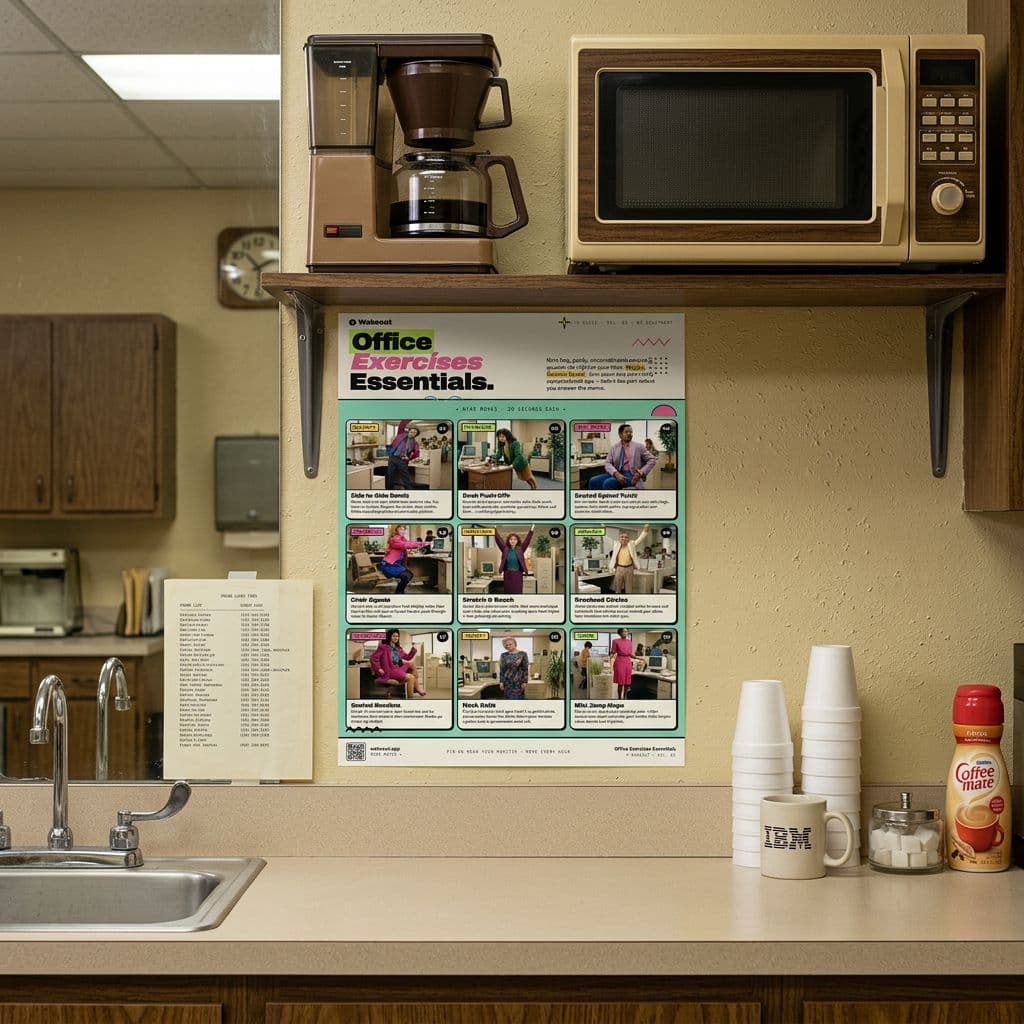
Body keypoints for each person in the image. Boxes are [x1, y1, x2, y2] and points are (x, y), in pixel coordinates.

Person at [587, 424, 655, 490]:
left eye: (631, 432)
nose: (629, 433)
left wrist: (640, 473)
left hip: (631, 474)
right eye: (626, 432)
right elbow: (607, 463)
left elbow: (652, 460)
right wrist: (615, 473)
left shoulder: (639, 446)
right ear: (620, 434)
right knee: (593, 481)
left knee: (608, 483)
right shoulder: (614, 447)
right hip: (617, 472)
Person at [368, 628, 425, 698]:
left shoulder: (398, 648)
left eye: (397, 636)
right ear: (389, 637)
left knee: (411, 663)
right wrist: (378, 668)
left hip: (397, 668)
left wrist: (413, 649)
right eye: (394, 636)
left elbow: (407, 657)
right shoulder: (383, 647)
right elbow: (373, 658)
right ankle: (411, 698)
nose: (396, 638)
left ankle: (417, 688)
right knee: (411, 677)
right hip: (390, 670)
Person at [379, 524, 428, 594]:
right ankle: (399, 592)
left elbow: (410, 543)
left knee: (408, 575)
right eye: (401, 529)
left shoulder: (402, 539)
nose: (403, 531)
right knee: (407, 575)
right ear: (396, 530)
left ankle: (399, 592)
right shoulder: (395, 539)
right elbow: (406, 545)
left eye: (404, 529)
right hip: (389, 566)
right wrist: (425, 543)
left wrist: (425, 543)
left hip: (396, 565)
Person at [493, 524, 535, 595]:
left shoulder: (520, 549)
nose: (513, 541)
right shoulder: (505, 549)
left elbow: (527, 540)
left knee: (517, 592)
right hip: (507, 574)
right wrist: (494, 529)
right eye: (511, 539)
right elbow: (498, 539)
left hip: (518, 574)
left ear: (517, 541)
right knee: (508, 592)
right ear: (508, 541)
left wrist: (531, 530)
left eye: (515, 539)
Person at [609, 524, 650, 594]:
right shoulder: (616, 544)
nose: (624, 539)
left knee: (629, 589)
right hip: (619, 568)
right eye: (622, 537)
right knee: (618, 588)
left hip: (629, 568)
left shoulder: (632, 544)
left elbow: (641, 538)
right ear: (619, 538)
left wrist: (645, 529)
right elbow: (607, 537)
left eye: (626, 537)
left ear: (628, 539)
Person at [386, 419, 420, 490]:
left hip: (402, 461)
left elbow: (417, 453)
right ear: (409, 431)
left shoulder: (414, 443)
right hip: (393, 458)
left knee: (406, 477)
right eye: (412, 431)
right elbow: (402, 424)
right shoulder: (400, 434)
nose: (412, 433)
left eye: (415, 433)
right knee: (390, 475)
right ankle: (389, 490)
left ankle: (409, 491)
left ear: (416, 434)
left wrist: (409, 458)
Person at [610, 627, 634, 699]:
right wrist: (609, 658)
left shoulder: (629, 641)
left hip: (628, 661)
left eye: (626, 631)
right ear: (620, 633)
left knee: (627, 682)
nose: (625, 633)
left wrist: (637, 657)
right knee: (620, 682)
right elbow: (613, 652)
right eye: (624, 631)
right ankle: (619, 698)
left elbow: (630, 653)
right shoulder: (615, 641)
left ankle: (625, 697)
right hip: (619, 661)